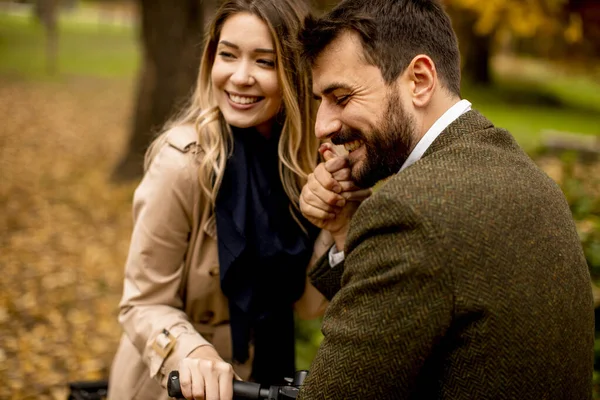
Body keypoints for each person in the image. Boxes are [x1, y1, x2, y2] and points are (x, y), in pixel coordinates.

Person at [297, 0, 595, 399]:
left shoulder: (410, 212)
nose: (322, 126)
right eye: (320, 100)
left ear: (419, 80)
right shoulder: (529, 177)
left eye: (342, 97)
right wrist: (344, 229)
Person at [107, 1, 367, 399]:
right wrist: (191, 351)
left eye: (264, 62)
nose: (240, 77)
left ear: (294, 71)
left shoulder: (306, 166)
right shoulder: (184, 165)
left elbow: (308, 306)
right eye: (227, 55)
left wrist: (337, 227)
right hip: (174, 388)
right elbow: (142, 303)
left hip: (264, 378)